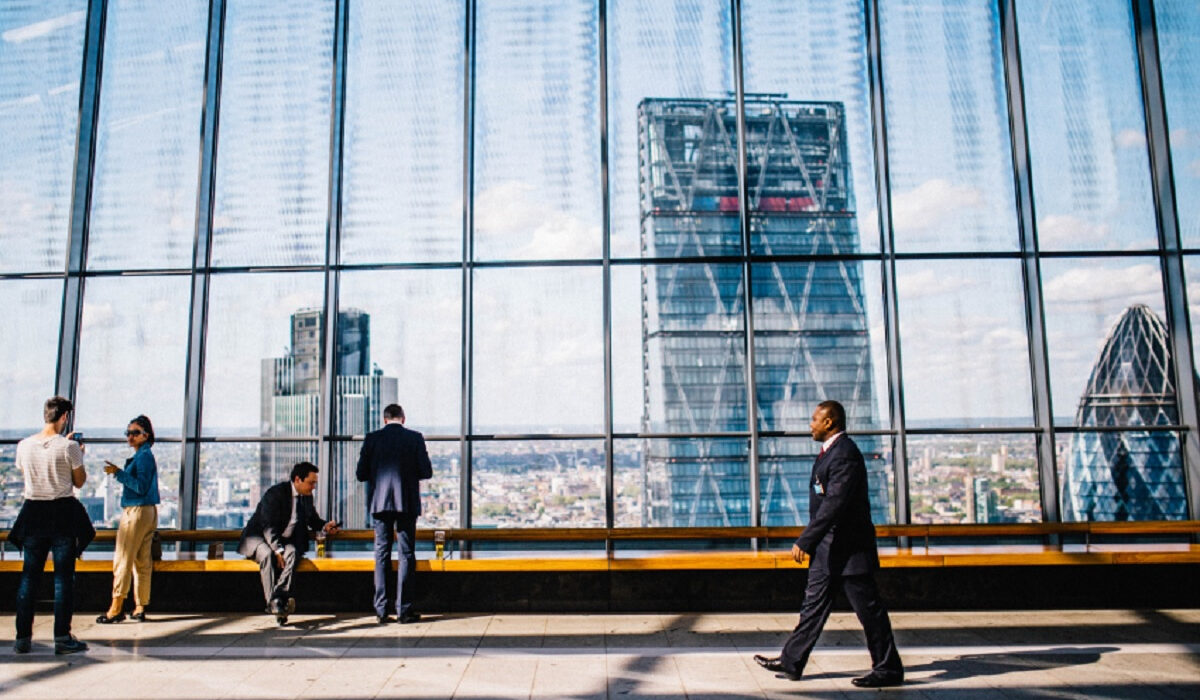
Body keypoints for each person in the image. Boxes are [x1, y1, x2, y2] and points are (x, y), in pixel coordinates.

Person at [754, 400, 904, 688]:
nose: (810, 425)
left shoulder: (844, 455)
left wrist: (806, 540)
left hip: (849, 551)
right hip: (828, 550)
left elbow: (834, 504)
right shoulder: (830, 453)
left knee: (869, 612)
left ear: (830, 422)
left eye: (814, 420)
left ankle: (888, 668)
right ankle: (791, 661)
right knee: (812, 607)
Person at [10, 396, 94, 655]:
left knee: (29, 578)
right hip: (61, 515)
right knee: (63, 579)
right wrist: (78, 453)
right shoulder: (68, 448)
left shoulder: (23, 446)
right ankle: (62, 637)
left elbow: (26, 474)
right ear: (65, 417)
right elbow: (79, 482)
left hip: (33, 512)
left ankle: (22, 638)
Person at [357, 403, 432, 624]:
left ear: (384, 419)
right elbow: (426, 471)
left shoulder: (371, 439)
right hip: (406, 503)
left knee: (381, 554)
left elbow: (361, 474)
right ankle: (404, 610)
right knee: (406, 553)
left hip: (380, 504)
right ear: (403, 418)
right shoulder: (415, 438)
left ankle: (381, 610)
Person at [237, 461, 339, 625]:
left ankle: (277, 600)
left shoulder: (306, 497)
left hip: (284, 540)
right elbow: (267, 526)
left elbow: (312, 519)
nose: (313, 487)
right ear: (298, 479)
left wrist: (325, 526)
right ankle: (277, 605)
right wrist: (278, 550)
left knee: (293, 553)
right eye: (311, 482)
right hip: (259, 538)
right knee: (268, 555)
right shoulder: (275, 494)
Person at [97, 415, 161, 624]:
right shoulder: (146, 456)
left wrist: (118, 473)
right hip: (148, 512)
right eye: (128, 433)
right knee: (142, 561)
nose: (130, 437)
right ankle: (140, 605)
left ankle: (116, 608)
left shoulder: (143, 457)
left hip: (136, 512)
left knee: (123, 559)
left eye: (135, 433)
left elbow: (140, 486)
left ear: (146, 435)